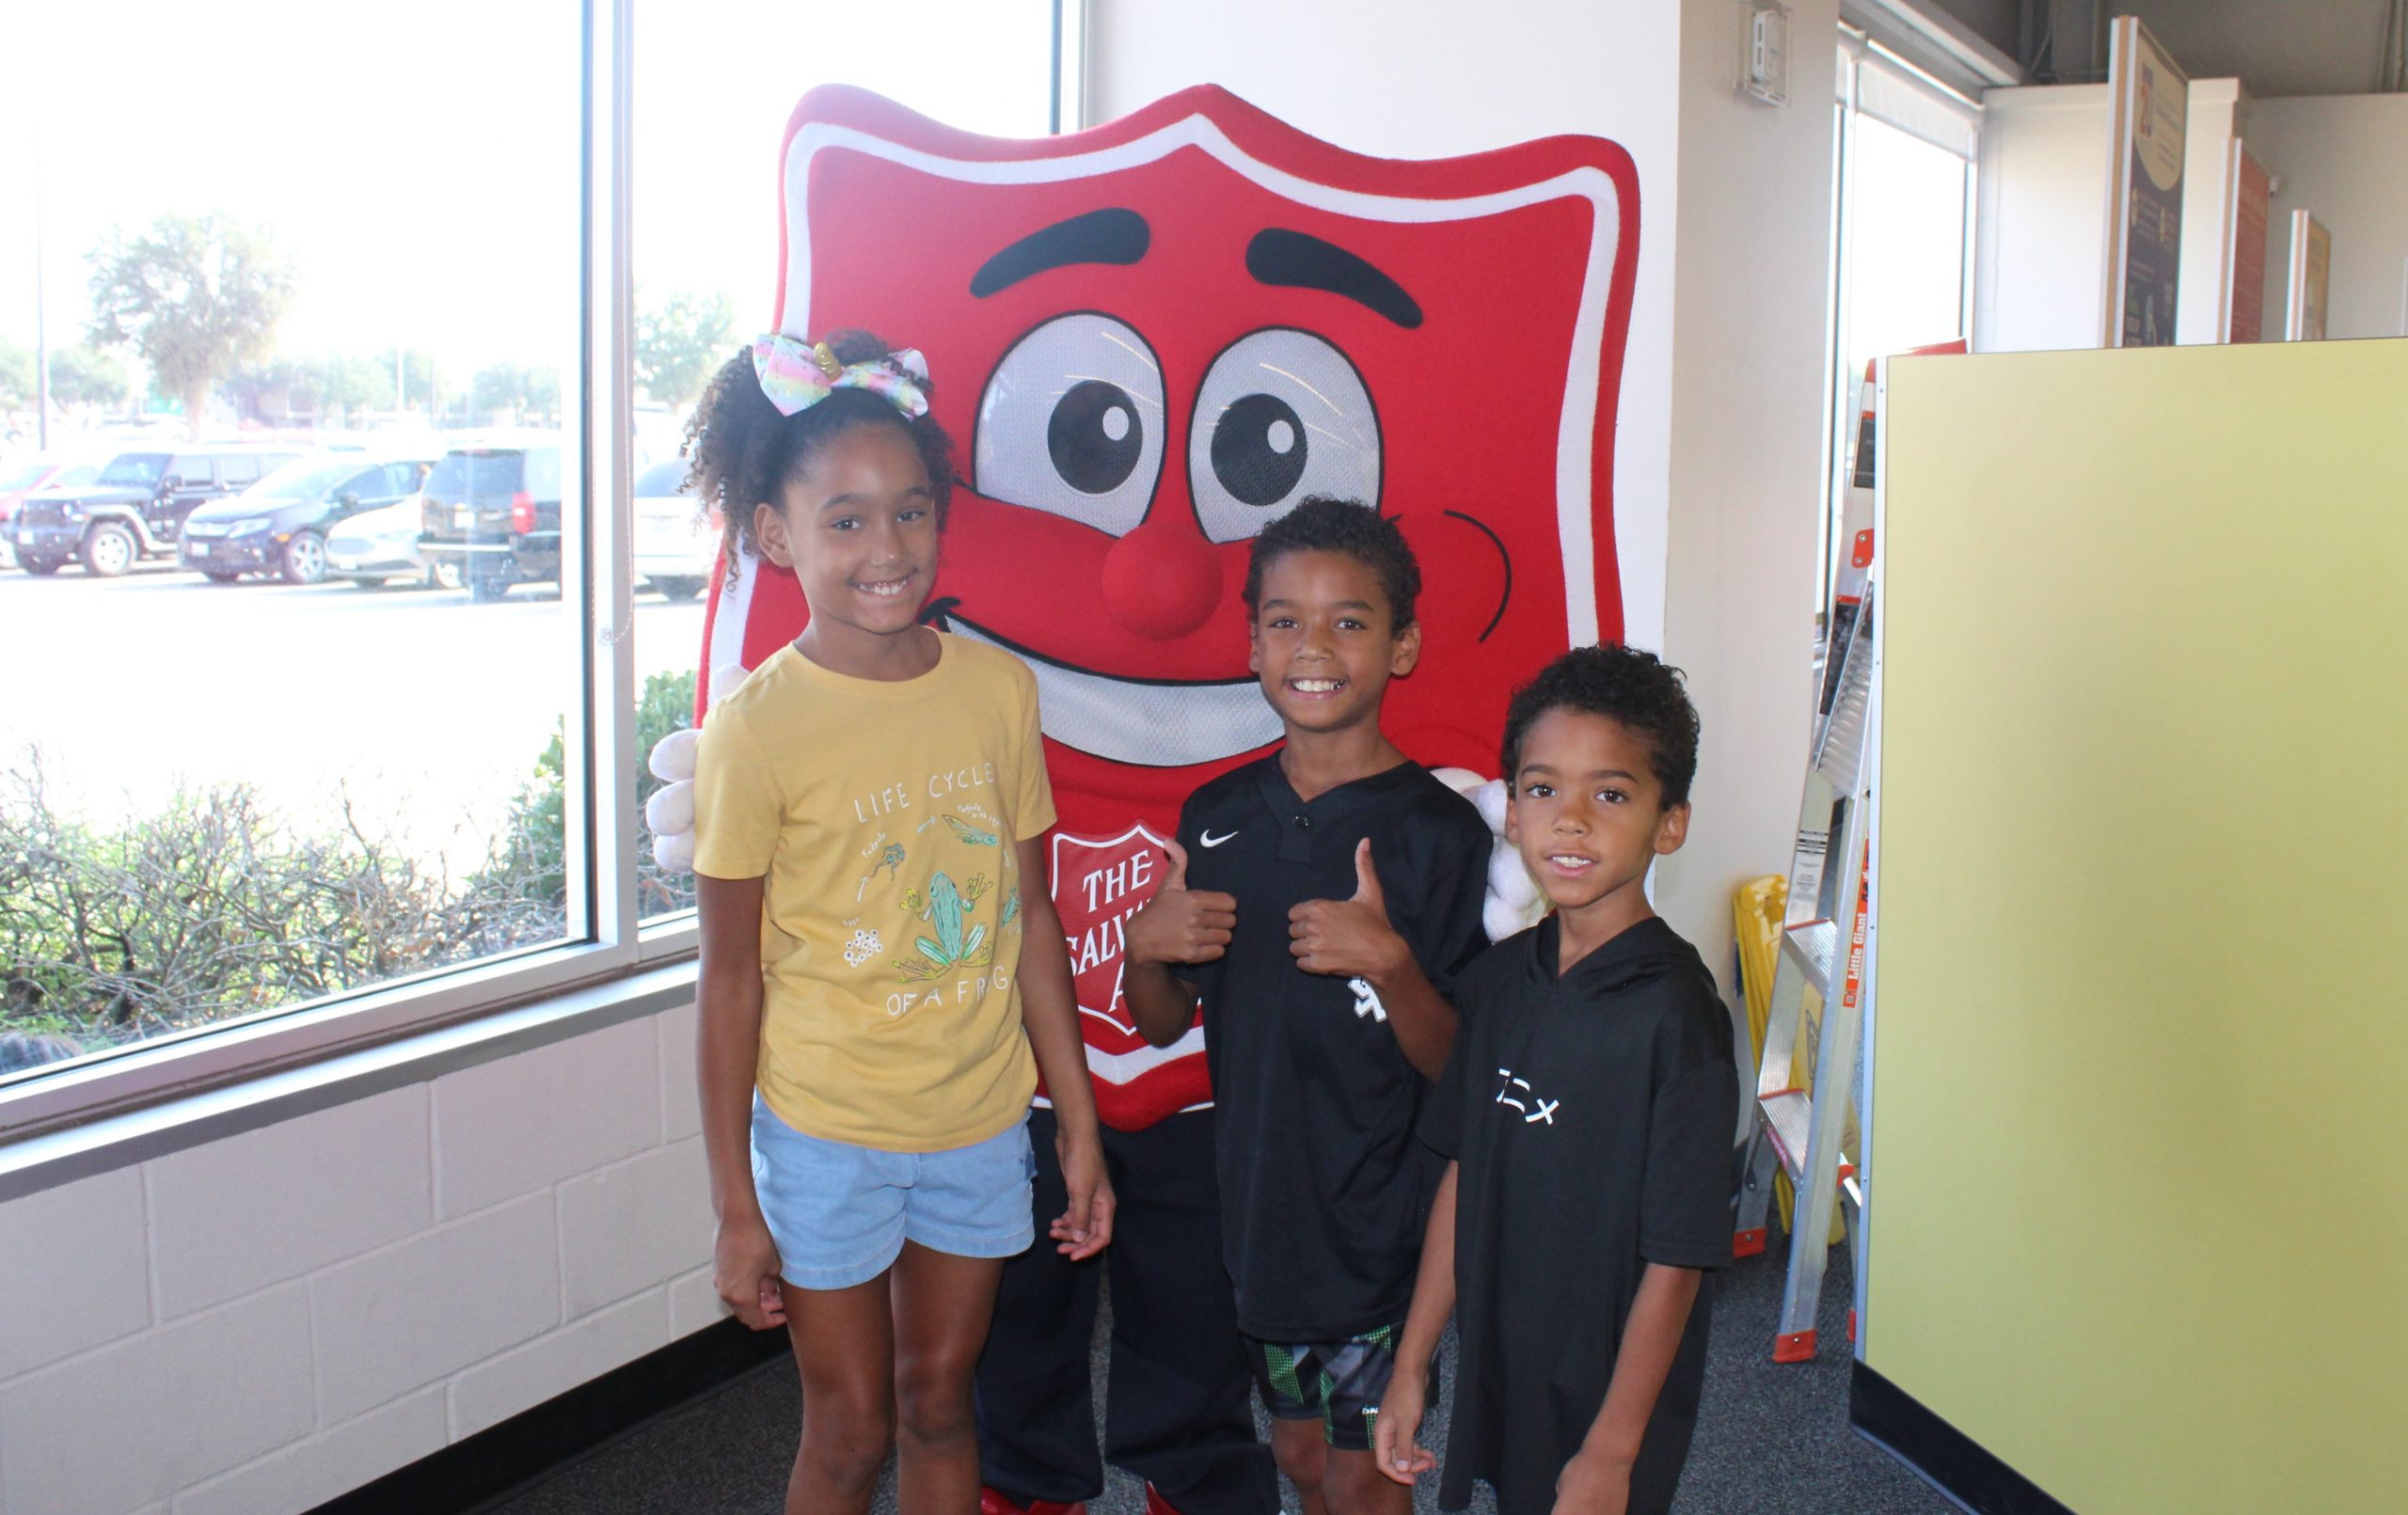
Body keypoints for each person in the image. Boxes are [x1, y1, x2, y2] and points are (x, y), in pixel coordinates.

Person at [688, 329, 1115, 1515]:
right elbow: (729, 982)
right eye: (845, 519)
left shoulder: (996, 692)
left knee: (939, 1401)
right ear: (776, 536)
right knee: (850, 1425)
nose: (887, 548)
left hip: (977, 1119)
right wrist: (735, 1202)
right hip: (826, 1129)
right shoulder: (757, 727)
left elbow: (1031, 918)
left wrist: (1073, 1125)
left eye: (911, 512)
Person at [1123, 497, 1493, 1515]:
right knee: (1295, 1459)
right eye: (1284, 620)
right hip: (1260, 1214)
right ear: (1252, 644)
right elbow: (1159, 1020)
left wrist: (1389, 964)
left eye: (1349, 620)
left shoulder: (1438, 833)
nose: (1312, 646)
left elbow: (1458, 1063)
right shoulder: (1218, 816)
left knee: (1364, 1478)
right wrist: (1140, 950)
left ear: (1401, 644)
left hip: (1377, 1224)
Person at [1375, 644, 1736, 1515]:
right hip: (1505, 1359)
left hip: (1614, 1393)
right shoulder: (1497, 982)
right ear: (1510, 809)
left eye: (1610, 794)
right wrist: (1413, 1361)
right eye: (1542, 788)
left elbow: (1678, 1258)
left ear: (1670, 822)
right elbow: (1465, 1172)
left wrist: (1613, 1450)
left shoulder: (1676, 1016)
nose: (1570, 819)